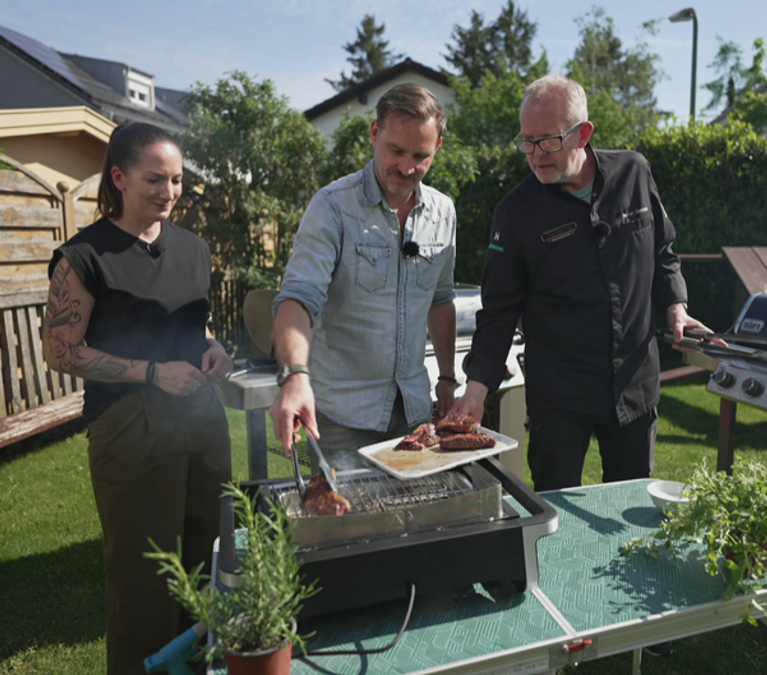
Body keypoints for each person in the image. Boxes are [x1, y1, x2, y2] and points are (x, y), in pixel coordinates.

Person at [453, 74, 715, 492]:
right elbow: (499, 311)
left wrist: (676, 308)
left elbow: (663, 252)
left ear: (583, 134)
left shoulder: (634, 172)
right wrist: (476, 388)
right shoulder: (515, 213)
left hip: (634, 383)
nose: (535, 155)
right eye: (526, 141)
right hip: (559, 397)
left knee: (632, 511)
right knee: (557, 518)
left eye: (548, 141)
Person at [41, 122, 233, 675]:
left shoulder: (194, 249)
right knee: (145, 578)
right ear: (119, 177)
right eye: (155, 179)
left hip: (202, 420)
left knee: (209, 562)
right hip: (129, 427)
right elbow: (60, 351)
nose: (169, 191)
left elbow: (193, 325)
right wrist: (152, 373)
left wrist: (213, 347)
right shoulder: (83, 257)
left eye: (176, 180)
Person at [270, 83, 457, 463]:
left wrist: (448, 378)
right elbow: (297, 299)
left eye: (420, 156)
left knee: (416, 520)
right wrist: (294, 376)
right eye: (396, 151)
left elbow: (440, 300)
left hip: (415, 411)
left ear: (437, 148)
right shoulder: (333, 207)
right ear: (375, 134)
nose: (407, 168)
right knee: (347, 521)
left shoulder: (443, 212)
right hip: (342, 418)